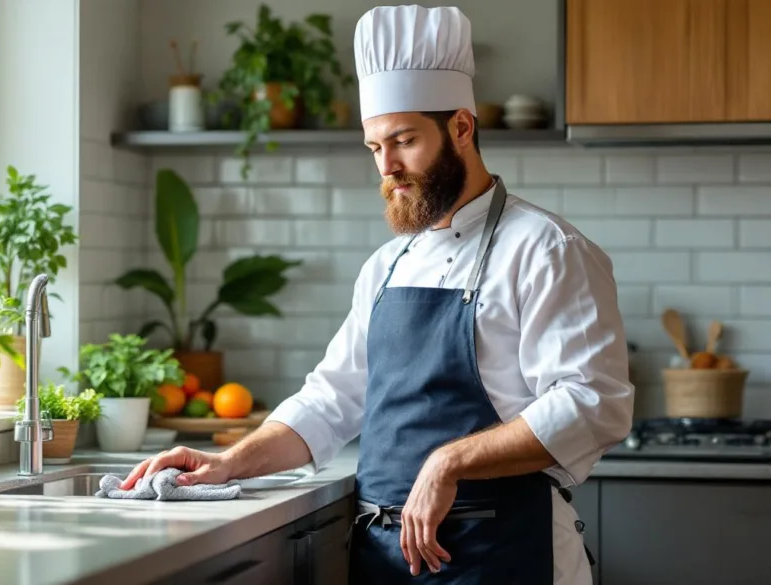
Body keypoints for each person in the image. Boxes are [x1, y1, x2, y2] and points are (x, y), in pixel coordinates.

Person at [119, 5, 634, 584]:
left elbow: (593, 402)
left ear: (461, 129)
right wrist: (226, 463)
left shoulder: (545, 249)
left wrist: (450, 460)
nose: (387, 166)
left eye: (404, 141)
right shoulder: (389, 265)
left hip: (507, 555)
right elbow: (332, 399)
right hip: (386, 560)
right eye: (374, 148)